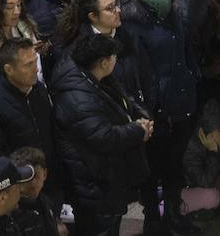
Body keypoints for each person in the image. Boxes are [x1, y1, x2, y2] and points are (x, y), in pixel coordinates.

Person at [118, 0, 199, 234]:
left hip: (180, 97)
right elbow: (133, 71)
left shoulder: (171, 8)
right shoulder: (130, 20)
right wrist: (147, 108)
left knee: (175, 161)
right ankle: (154, 218)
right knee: (153, 166)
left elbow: (184, 49)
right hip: (156, 107)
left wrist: (191, 77)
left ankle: (175, 212)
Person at [50, 33, 153, 236]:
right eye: (114, 56)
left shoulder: (97, 79)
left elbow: (124, 100)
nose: (117, 60)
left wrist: (140, 116)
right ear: (104, 62)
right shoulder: (79, 99)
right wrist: (138, 130)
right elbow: (103, 137)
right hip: (93, 184)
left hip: (107, 176)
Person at [0, 39, 55, 180]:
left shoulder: (39, 89)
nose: (36, 69)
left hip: (50, 174)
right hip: (21, 180)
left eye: (35, 61)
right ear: (9, 69)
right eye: (28, 65)